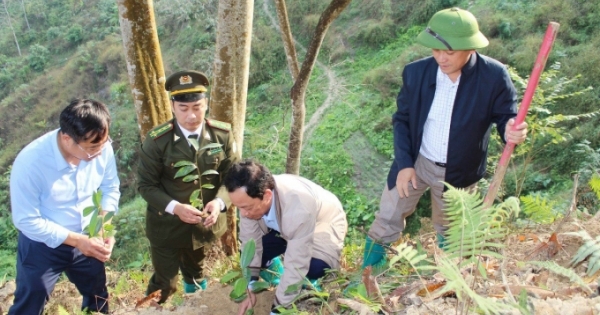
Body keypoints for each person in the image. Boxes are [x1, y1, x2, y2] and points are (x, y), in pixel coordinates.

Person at [362, 7, 528, 267]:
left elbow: (505, 116)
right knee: (387, 216)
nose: (441, 58)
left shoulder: (494, 77)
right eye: (436, 50)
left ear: (470, 48)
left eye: (449, 52)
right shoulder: (416, 73)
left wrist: (510, 130)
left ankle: (446, 277)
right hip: (418, 161)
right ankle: (368, 273)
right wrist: (405, 164)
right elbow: (402, 120)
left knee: (451, 231)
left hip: (460, 171)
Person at [9, 99, 120, 314]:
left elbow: (110, 187)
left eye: (103, 144)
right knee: (31, 298)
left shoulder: (101, 147)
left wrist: (104, 225)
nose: (98, 152)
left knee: (97, 294)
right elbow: (26, 220)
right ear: (67, 138)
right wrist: (76, 240)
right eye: (91, 148)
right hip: (43, 243)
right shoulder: (31, 162)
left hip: (88, 234)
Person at [137, 70, 238, 303]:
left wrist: (220, 202)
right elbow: (146, 186)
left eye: (197, 107)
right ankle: (150, 309)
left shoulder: (221, 135)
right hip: (167, 226)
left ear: (206, 104)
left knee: (196, 274)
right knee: (165, 283)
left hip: (203, 223)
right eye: (184, 109)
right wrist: (175, 207)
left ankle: (196, 306)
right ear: (173, 106)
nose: (191, 116)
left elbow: (233, 176)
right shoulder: (157, 141)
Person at [224, 159, 348, 315]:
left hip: (321, 223)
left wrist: (277, 310)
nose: (242, 214)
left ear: (267, 195)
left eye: (246, 207)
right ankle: (278, 278)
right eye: (239, 207)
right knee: (249, 254)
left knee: (314, 266)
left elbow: (297, 260)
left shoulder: (298, 207)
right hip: (284, 227)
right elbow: (250, 242)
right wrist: (251, 287)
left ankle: (307, 287)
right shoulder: (249, 200)